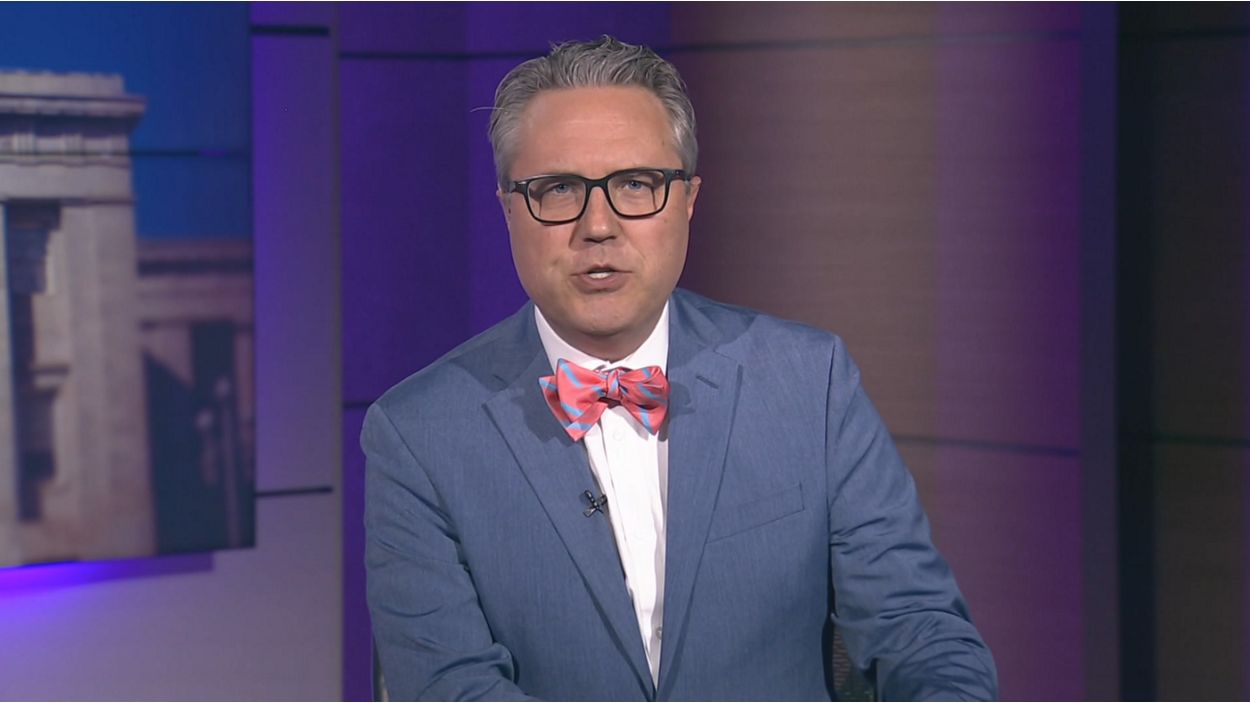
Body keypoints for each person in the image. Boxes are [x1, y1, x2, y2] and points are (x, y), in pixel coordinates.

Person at [363, 36, 997, 701]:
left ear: (688, 199)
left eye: (636, 184)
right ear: (509, 208)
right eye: (559, 189)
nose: (598, 226)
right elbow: (452, 687)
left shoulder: (811, 383)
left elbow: (919, 631)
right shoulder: (418, 436)